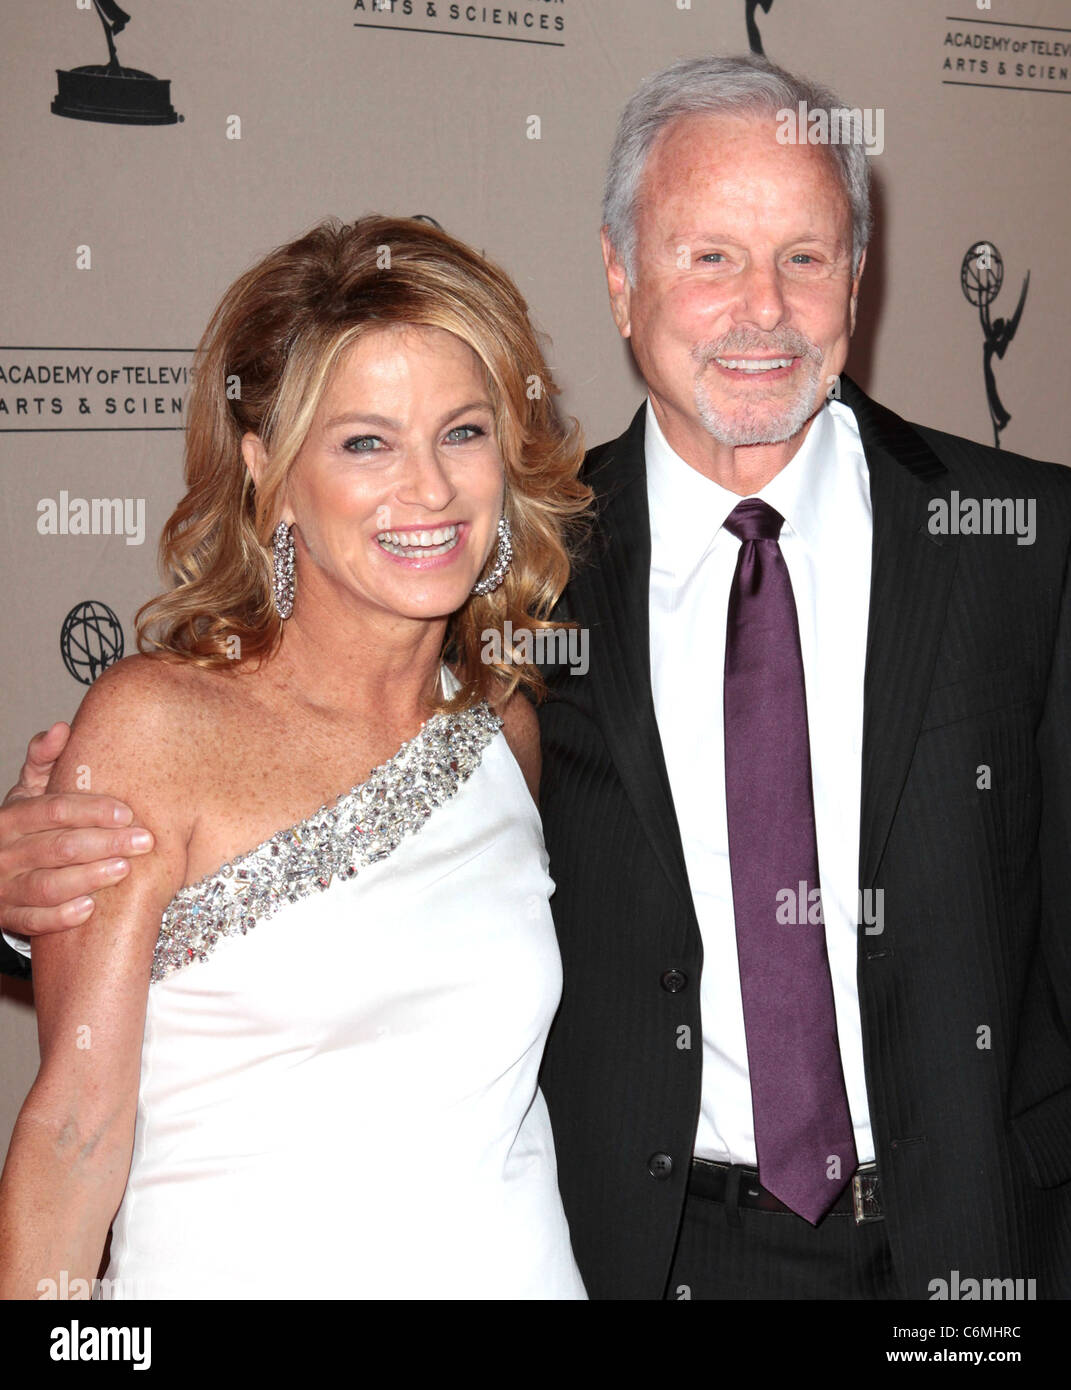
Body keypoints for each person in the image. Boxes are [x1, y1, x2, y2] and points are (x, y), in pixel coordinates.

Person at [4, 54, 1071, 1302]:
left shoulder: (1023, 545)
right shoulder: (540, 592)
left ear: (859, 272)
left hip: (988, 1258)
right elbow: (227, 864)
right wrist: (46, 862)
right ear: (621, 277)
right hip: (666, 1253)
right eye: (707, 255)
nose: (761, 311)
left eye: (806, 254)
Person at [0, 214, 591, 1299]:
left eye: (462, 432)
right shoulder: (152, 727)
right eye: (365, 441)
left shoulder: (505, 732)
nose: (429, 488)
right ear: (267, 466)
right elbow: (77, 1133)